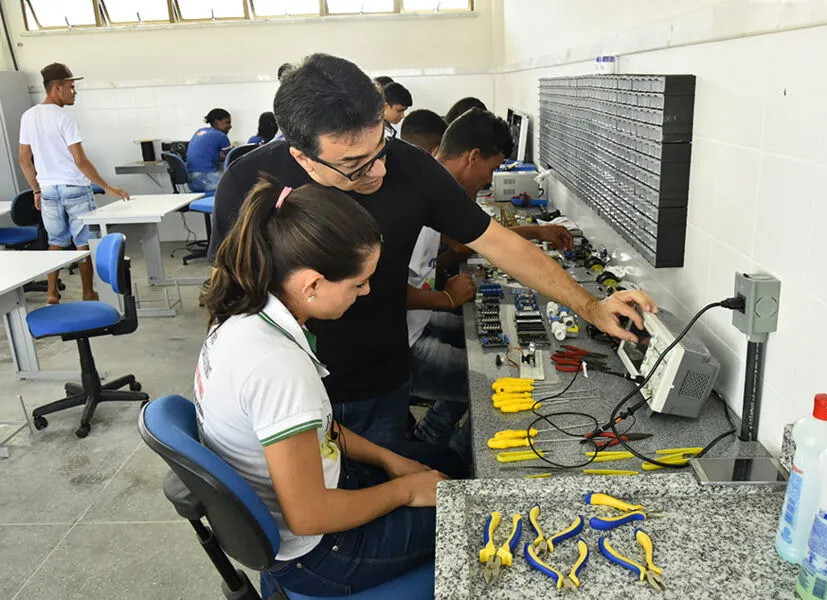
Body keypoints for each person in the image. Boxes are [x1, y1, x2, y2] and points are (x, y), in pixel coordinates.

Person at [208, 53, 657, 448]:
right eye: (352, 165)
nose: (378, 169)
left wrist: (591, 306)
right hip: (291, 393)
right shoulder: (247, 183)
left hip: (380, 378)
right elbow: (232, 301)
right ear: (303, 157)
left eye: (380, 145)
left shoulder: (410, 166)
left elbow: (499, 244)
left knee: (388, 475)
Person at [198, 177, 463, 596]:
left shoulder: (245, 313)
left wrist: (388, 460)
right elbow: (308, 515)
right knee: (474, 511)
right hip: (317, 552)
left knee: (440, 461)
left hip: (315, 494)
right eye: (358, 283)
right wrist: (405, 490)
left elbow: (321, 428)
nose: (367, 290)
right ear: (312, 284)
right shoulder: (276, 364)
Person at [402, 108, 574, 452]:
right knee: (500, 382)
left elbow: (472, 238)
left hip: (415, 322)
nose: (490, 180)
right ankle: (453, 460)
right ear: (473, 157)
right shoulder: (417, 201)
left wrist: (535, 230)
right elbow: (384, 289)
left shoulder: (435, 190)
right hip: (402, 343)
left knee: (483, 346)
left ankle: (432, 435)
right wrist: (446, 300)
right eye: (492, 169)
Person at [18, 62, 130, 305]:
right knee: (83, 243)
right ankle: (88, 292)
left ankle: (51, 293)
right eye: (71, 86)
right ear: (56, 88)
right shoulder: (65, 118)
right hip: (74, 189)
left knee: (55, 242)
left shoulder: (28, 116)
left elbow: (24, 159)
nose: (74, 91)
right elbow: (80, 161)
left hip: (47, 190)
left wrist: (37, 189)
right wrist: (108, 187)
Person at [186, 108, 232, 192]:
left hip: (191, 180)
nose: (230, 126)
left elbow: (207, 154)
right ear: (217, 122)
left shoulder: (200, 131)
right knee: (234, 186)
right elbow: (230, 156)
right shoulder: (221, 136)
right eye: (227, 122)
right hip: (205, 179)